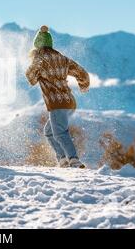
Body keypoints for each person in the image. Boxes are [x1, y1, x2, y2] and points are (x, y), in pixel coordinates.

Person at [26, 26, 90, 168]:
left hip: (57, 104)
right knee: (49, 132)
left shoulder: (40, 59)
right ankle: (63, 159)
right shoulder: (62, 58)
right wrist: (83, 85)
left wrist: (36, 67)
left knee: (60, 133)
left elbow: (30, 78)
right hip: (69, 102)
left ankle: (74, 160)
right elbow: (82, 73)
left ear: (37, 45)